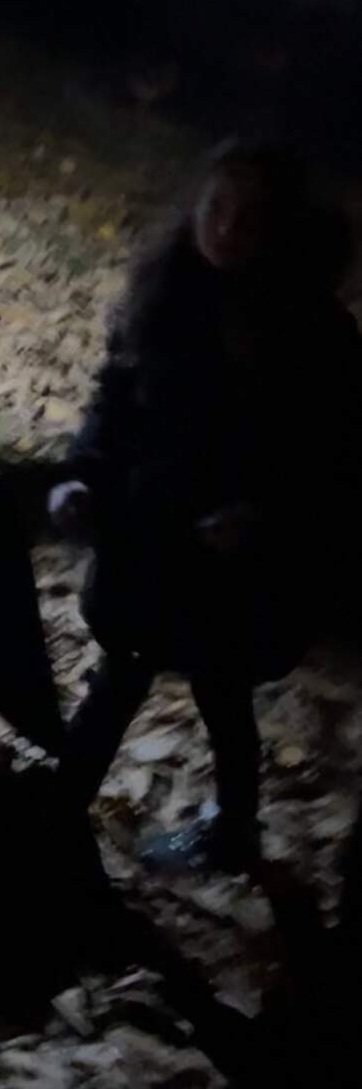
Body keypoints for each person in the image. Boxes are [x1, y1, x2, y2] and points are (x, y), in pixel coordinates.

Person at [50, 142, 362, 872]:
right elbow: (113, 404)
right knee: (123, 676)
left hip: (236, 566)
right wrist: (78, 477)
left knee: (219, 687)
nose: (226, 229)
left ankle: (229, 829)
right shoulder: (164, 295)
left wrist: (267, 518)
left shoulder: (316, 335)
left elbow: (332, 463)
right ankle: (58, 814)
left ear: (282, 230)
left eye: (250, 218)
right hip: (147, 536)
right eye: (216, 207)